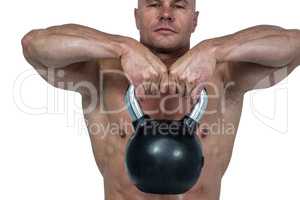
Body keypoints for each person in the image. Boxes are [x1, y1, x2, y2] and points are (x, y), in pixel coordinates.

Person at [21, 0, 300, 199]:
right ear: (136, 16)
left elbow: (294, 45)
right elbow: (34, 45)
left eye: (179, 6)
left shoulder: (226, 76)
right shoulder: (100, 73)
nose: (166, 14)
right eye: (154, 4)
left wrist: (215, 49)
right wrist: (122, 47)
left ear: (195, 19)